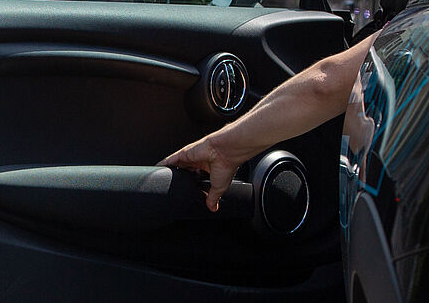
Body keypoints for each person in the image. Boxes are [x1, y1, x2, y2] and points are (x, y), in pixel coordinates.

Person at [159, 31, 379, 211]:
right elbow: (323, 88)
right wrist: (221, 149)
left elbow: (324, 86)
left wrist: (222, 149)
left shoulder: (407, 28)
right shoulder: (411, 34)